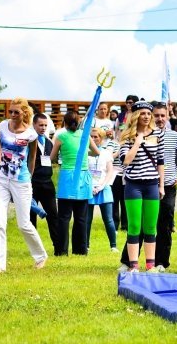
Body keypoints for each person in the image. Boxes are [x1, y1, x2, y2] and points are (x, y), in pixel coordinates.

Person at [0, 98, 48, 274]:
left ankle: (40, 255)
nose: (13, 115)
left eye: (17, 112)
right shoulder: (2, 126)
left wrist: (28, 177)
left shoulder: (31, 134)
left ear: (24, 113)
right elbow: (0, 143)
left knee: (23, 224)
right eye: (11, 111)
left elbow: (32, 157)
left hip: (21, 180)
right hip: (1, 179)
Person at [118, 102, 164, 272]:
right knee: (134, 226)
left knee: (151, 226)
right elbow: (126, 160)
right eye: (143, 113)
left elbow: (161, 161)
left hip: (152, 184)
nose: (146, 116)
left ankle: (150, 265)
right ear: (136, 115)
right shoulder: (127, 136)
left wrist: (161, 185)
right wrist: (138, 141)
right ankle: (133, 265)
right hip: (133, 185)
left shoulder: (158, 134)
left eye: (148, 113)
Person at [52, 110, 93, 256]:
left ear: (65, 122)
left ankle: (61, 251)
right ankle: (80, 250)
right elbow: (96, 152)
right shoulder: (85, 135)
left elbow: (52, 157)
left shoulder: (61, 136)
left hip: (67, 177)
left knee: (64, 217)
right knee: (81, 217)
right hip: (83, 177)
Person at [153, 102, 177, 271]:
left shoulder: (176, 137)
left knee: (165, 224)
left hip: (169, 186)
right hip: (149, 184)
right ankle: (129, 261)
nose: (160, 119)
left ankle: (162, 262)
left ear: (168, 116)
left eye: (163, 115)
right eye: (156, 115)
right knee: (143, 225)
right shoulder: (146, 135)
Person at [30, 113, 62, 254]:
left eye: (45, 125)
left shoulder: (49, 142)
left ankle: (58, 247)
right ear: (34, 125)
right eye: (40, 125)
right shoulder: (29, 141)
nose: (43, 128)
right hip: (32, 182)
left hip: (47, 183)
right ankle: (35, 249)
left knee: (53, 215)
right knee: (31, 216)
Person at [87, 128, 118, 253]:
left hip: (103, 187)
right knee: (87, 220)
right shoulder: (85, 152)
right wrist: (91, 186)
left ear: (101, 138)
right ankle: (86, 245)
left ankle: (113, 245)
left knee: (108, 219)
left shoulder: (106, 153)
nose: (94, 139)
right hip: (89, 187)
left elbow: (110, 171)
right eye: (92, 137)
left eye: (96, 137)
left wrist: (101, 185)